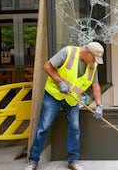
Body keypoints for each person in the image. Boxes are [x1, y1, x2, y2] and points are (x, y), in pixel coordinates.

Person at [25, 42, 105, 170]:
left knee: (74, 129)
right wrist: (60, 82)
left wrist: (99, 105)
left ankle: (73, 160)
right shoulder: (67, 52)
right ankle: (33, 160)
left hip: (72, 99)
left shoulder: (93, 65)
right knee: (43, 127)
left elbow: (96, 86)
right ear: (88, 53)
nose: (95, 62)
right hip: (54, 95)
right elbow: (47, 66)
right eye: (94, 58)